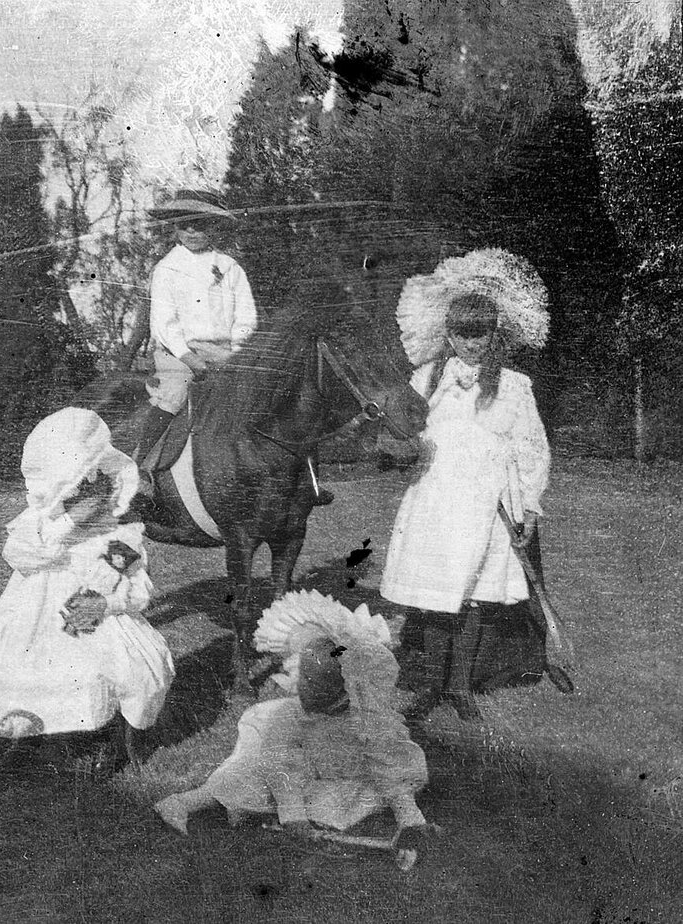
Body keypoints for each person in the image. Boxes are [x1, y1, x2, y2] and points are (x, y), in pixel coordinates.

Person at [380, 249, 552, 721]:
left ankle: (460, 687)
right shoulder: (428, 378)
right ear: (448, 334)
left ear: (495, 334)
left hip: (484, 503)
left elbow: (532, 448)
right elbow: (399, 426)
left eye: (480, 334)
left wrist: (530, 507)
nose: (471, 344)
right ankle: (431, 683)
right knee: (436, 596)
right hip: (436, 499)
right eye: (462, 334)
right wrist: (394, 443)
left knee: (474, 596)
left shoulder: (514, 386)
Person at [154, 590, 430, 849]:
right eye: (304, 680)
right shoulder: (289, 716)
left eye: (316, 684)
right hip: (290, 770)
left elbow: (387, 761)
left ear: (347, 689)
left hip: (336, 770)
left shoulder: (366, 716)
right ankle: (182, 802)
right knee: (247, 775)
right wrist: (292, 815)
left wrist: (410, 819)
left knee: (377, 788)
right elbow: (280, 763)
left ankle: (253, 809)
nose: (304, 688)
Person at [0, 407, 175, 750]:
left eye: (100, 492)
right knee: (23, 666)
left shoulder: (119, 536)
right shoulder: (40, 527)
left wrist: (107, 603)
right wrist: (69, 524)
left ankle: (105, 739)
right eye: (78, 495)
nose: (93, 502)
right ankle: (34, 734)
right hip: (37, 617)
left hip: (99, 618)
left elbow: (140, 590)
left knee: (125, 668)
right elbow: (19, 554)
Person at [137, 189, 333, 505]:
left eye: (200, 225)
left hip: (226, 351)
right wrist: (187, 356)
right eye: (185, 225)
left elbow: (245, 317)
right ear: (174, 227)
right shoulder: (166, 268)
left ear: (214, 228)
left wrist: (241, 352)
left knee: (281, 388)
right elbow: (163, 321)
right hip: (180, 351)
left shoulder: (230, 267)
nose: (192, 231)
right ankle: (142, 467)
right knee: (175, 392)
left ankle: (305, 477)